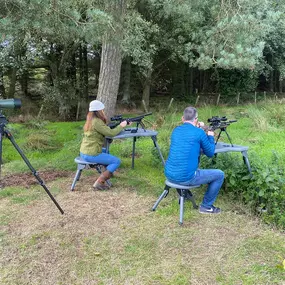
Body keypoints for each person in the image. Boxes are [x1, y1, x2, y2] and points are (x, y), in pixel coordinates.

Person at [164, 106, 224, 214]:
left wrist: (198, 128)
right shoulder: (199, 133)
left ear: (183, 119)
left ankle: (186, 195)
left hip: (169, 174)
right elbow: (210, 153)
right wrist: (210, 136)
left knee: (184, 165)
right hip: (185, 177)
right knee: (219, 174)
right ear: (196, 119)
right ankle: (206, 206)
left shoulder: (176, 131)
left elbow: (188, 142)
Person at [80, 100, 128, 190]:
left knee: (106, 151)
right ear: (98, 111)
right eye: (102, 110)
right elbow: (111, 133)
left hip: (84, 152)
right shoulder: (97, 121)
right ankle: (100, 182)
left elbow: (104, 129)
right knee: (116, 161)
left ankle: (108, 172)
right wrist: (121, 125)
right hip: (91, 153)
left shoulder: (90, 119)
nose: (103, 111)